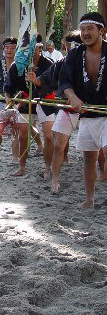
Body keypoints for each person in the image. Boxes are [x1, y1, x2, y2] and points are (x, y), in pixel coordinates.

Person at [58, 12, 107, 208]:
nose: (85, 33)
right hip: (87, 113)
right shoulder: (75, 55)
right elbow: (65, 80)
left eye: (90, 29)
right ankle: (89, 199)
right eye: (83, 30)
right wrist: (72, 96)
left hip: (106, 113)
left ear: (101, 31)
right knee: (88, 157)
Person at [25, 31, 83, 194]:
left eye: (74, 45)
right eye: (68, 45)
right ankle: (54, 177)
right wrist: (35, 79)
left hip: (90, 111)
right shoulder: (62, 63)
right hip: (66, 109)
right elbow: (44, 80)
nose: (70, 48)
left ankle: (102, 172)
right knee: (58, 144)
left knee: (97, 150)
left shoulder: (97, 60)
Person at [5, 34, 55, 177]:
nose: (32, 53)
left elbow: (52, 84)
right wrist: (9, 98)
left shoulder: (49, 64)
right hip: (26, 101)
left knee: (49, 136)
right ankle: (22, 167)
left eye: (35, 49)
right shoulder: (18, 64)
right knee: (22, 135)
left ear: (40, 48)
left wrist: (38, 82)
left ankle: (47, 168)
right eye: (29, 49)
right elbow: (9, 85)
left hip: (45, 100)